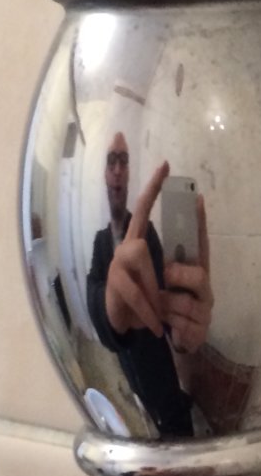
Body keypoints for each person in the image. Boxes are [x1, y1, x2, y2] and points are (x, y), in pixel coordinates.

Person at [86, 134, 213, 437]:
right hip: (130, 397)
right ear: (105, 174)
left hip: (164, 386)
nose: (118, 169)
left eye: (124, 161)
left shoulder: (148, 234)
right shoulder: (101, 242)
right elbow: (92, 292)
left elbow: (166, 304)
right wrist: (109, 308)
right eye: (111, 162)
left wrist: (184, 333)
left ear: (129, 172)